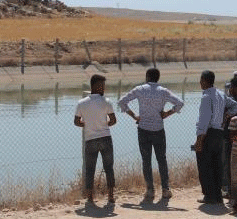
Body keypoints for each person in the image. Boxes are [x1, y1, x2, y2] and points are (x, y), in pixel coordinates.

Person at [117, 68, 184, 198]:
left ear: (147, 76)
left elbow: (122, 101)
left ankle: (150, 190)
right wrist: (167, 113)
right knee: (161, 160)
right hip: (158, 129)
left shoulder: (140, 89)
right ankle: (165, 189)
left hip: (143, 129)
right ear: (158, 77)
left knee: (146, 160)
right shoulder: (164, 91)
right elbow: (180, 103)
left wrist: (134, 116)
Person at [193, 70, 236, 205]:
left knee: (205, 165)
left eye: (201, 80)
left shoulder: (206, 97)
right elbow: (234, 106)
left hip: (209, 133)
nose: (200, 82)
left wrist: (199, 139)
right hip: (219, 133)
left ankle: (209, 195)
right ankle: (217, 195)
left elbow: (204, 119)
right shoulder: (221, 94)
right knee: (217, 164)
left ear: (205, 81)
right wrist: (226, 116)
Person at [74, 74, 117, 204]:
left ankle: (90, 197)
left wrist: (87, 125)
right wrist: (104, 125)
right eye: (103, 85)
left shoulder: (81, 103)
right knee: (109, 167)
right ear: (97, 86)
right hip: (105, 138)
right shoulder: (107, 102)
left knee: (90, 169)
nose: (104, 88)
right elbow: (113, 120)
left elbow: (76, 122)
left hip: (90, 139)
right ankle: (110, 195)